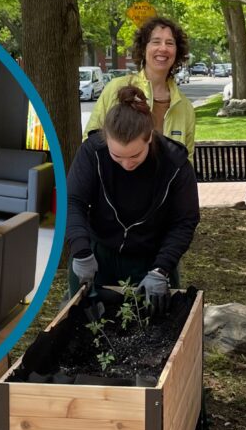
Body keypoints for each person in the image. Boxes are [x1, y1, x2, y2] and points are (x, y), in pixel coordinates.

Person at [67, 85, 200, 311]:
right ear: (106, 139)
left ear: (149, 137)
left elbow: (185, 220)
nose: (127, 164)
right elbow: (72, 202)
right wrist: (80, 250)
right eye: (117, 156)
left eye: (135, 155)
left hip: (152, 258)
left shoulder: (175, 164)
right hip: (97, 255)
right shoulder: (92, 153)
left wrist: (161, 269)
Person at [86, 17, 196, 161]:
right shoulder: (115, 88)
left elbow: (187, 161)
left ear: (177, 52)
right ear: (144, 49)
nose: (163, 48)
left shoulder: (185, 107)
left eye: (170, 43)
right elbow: (90, 142)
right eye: (156, 41)